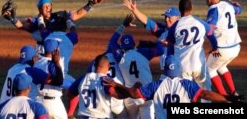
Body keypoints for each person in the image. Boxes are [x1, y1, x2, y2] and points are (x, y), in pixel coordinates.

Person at [103, 55, 244, 119]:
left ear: (165, 70)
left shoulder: (156, 86)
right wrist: (227, 98)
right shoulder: (187, 85)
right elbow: (206, 94)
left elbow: (134, 94)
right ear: (179, 69)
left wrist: (116, 84)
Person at [164, 0, 220, 102]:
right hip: (199, 65)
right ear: (191, 8)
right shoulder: (201, 22)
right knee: (206, 93)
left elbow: (170, 49)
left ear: (179, 10)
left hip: (183, 67)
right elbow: (211, 36)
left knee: (184, 96)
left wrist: (170, 64)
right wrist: (215, 48)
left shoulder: (175, 27)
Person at [109, 15, 164, 119]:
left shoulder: (120, 56)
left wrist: (123, 26)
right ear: (134, 44)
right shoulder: (143, 52)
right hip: (146, 95)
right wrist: (155, 43)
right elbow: (160, 50)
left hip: (130, 96)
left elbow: (112, 42)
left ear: (122, 47)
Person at [2, 0, 95, 55]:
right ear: (39, 9)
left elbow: (77, 15)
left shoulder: (60, 16)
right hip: (41, 55)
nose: (48, 8)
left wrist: (90, 3)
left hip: (59, 53)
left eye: (49, 6)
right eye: (45, 6)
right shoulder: (36, 21)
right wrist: (11, 18)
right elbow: (21, 25)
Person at [124, 0, 180, 70]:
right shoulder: (161, 30)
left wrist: (170, 44)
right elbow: (146, 21)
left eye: (169, 17)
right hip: (165, 70)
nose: (166, 19)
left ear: (177, 18)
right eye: (166, 17)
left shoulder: (182, 31)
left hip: (179, 68)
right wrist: (134, 10)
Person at [205, 0, 243, 95]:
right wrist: (237, 5)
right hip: (235, 48)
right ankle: (233, 93)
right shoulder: (228, 5)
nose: (207, 1)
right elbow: (239, 10)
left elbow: (210, 27)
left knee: (209, 70)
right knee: (221, 66)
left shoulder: (213, 9)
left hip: (223, 49)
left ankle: (225, 98)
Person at [67, 54, 118, 119]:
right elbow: (117, 95)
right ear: (109, 66)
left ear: (94, 66)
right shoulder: (107, 81)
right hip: (102, 116)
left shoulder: (83, 78)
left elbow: (70, 93)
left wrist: (70, 113)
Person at [33, 39, 66, 119]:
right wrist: (57, 62)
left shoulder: (37, 63)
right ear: (56, 50)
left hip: (39, 101)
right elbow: (60, 81)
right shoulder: (59, 62)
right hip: (54, 104)